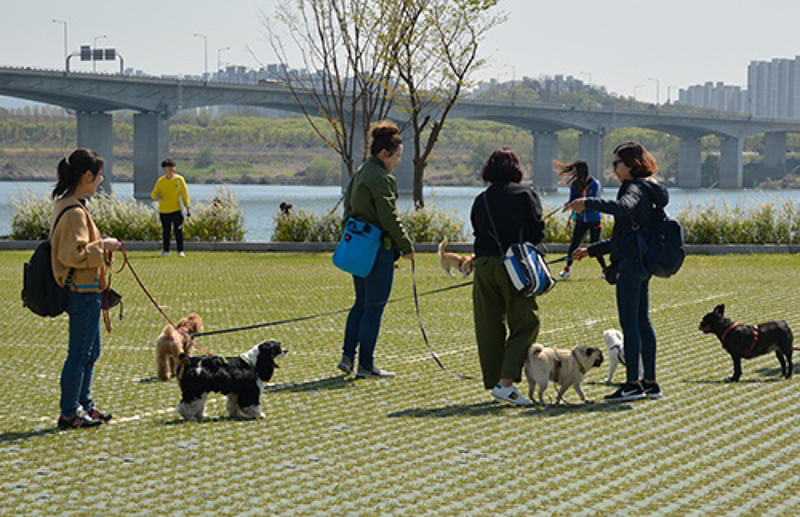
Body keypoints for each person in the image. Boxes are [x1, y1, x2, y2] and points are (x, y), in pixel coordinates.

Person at [566, 142, 668, 401]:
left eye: (617, 163)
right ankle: (650, 383)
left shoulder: (633, 188)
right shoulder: (647, 189)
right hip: (642, 264)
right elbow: (626, 237)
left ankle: (632, 383)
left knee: (630, 324)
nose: (614, 169)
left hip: (631, 267)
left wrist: (587, 202)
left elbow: (622, 208)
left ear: (631, 165)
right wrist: (592, 250)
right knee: (643, 323)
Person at [51, 149, 123, 429]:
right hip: (82, 291)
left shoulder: (69, 204)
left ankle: (84, 405)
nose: (100, 183)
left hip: (89, 290)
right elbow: (73, 254)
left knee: (90, 352)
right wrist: (104, 245)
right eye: (99, 177)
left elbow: (77, 250)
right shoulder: (73, 211)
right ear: (87, 175)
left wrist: (100, 245)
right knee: (80, 354)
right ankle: (70, 412)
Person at [338, 123, 414, 379]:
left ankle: (347, 357)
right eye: (397, 156)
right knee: (374, 307)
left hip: (359, 247)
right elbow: (389, 216)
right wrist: (406, 246)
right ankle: (366, 365)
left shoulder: (361, 172)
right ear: (384, 153)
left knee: (360, 303)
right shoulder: (381, 178)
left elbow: (348, 208)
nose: (398, 161)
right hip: (378, 249)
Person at [470, 148, 544, 406]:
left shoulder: (482, 198)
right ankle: (506, 382)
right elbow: (537, 232)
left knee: (488, 325)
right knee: (526, 322)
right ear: (516, 169)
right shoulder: (525, 194)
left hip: (482, 265)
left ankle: (494, 381)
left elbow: (476, 229)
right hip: (514, 266)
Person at [555, 160, 607, 279]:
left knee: (595, 246)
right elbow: (572, 199)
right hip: (580, 220)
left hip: (594, 219)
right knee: (574, 244)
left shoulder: (595, 184)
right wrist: (568, 205)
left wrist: (580, 205)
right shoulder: (574, 184)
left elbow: (594, 201)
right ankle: (567, 270)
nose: (574, 174)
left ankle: (605, 269)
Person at [151, 158, 191, 257]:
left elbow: (184, 194)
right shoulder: (161, 181)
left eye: (173, 167)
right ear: (164, 168)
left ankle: (180, 251)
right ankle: (166, 251)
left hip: (176, 210)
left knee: (178, 231)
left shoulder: (179, 180)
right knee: (166, 232)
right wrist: (157, 196)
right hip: (164, 211)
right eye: (169, 167)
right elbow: (153, 194)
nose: (171, 169)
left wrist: (187, 207)